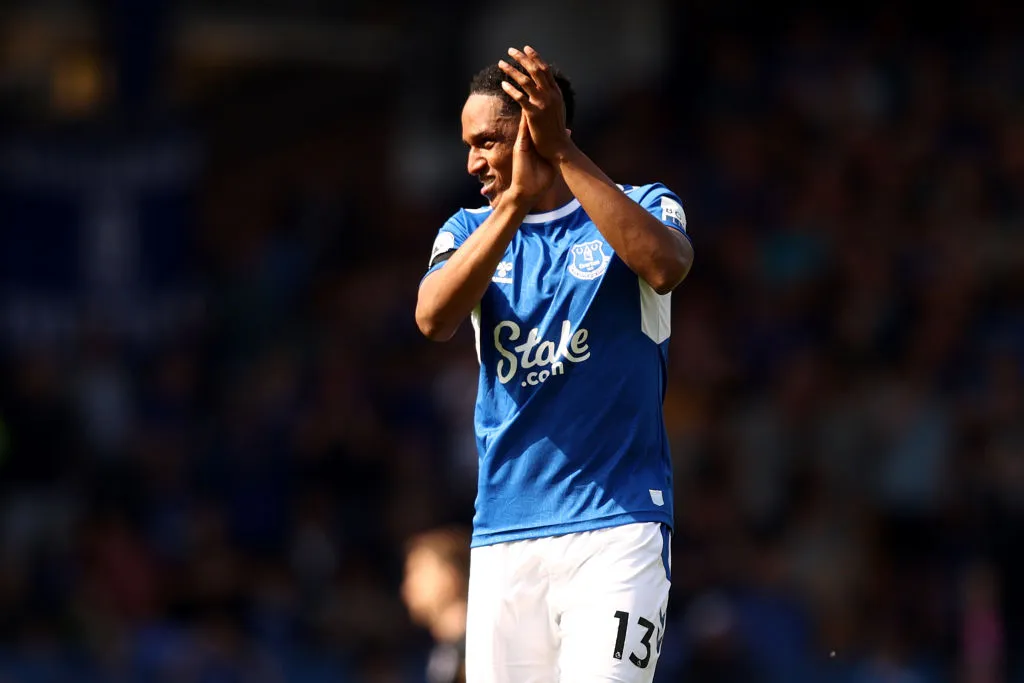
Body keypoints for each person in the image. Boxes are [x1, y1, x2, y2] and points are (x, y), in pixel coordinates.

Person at [415, 45, 693, 683]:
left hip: (617, 527)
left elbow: (667, 265)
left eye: (487, 141)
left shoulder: (642, 202)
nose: (472, 161)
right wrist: (512, 205)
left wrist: (562, 153)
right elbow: (432, 317)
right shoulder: (468, 230)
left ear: (533, 130)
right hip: (503, 537)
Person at [402, 525, 471, 683]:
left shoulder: (479, 647)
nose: (407, 585)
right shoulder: (443, 653)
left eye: (417, 571)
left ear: (450, 575)